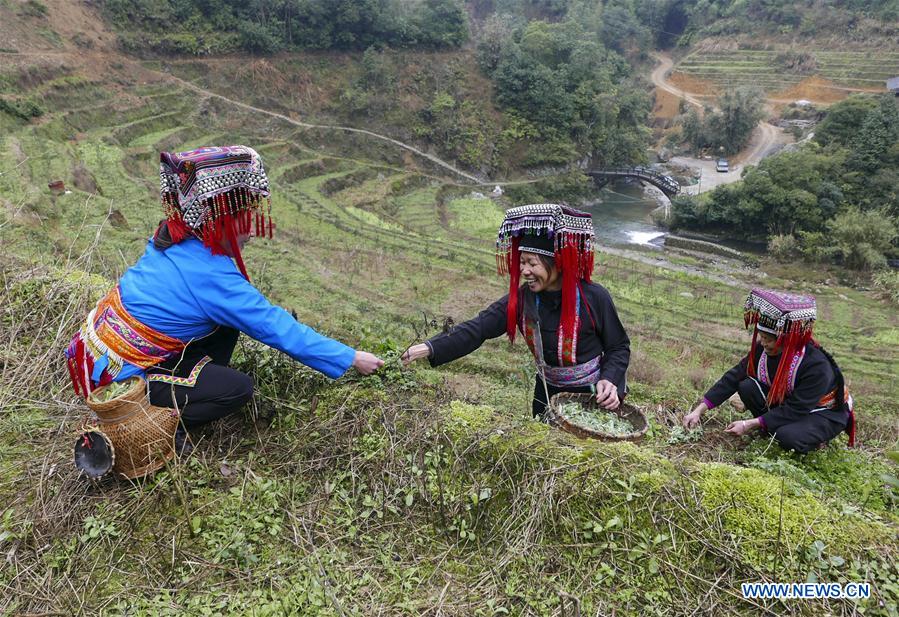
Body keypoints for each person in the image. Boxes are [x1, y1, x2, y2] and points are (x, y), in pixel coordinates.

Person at [66, 145, 383, 451]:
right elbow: (273, 325)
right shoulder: (212, 276)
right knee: (237, 389)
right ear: (220, 221)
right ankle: (145, 423)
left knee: (226, 325)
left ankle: (175, 384)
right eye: (244, 221)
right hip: (117, 381)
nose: (252, 233)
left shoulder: (176, 237)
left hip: (94, 357)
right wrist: (350, 357)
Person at [402, 203, 630, 417]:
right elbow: (479, 328)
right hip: (546, 394)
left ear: (557, 263)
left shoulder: (593, 297)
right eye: (522, 263)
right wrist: (428, 348)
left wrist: (609, 380)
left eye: (532, 263)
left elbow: (618, 346)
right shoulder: (522, 300)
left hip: (591, 394)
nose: (525, 271)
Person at [682, 288, 856, 453]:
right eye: (761, 337)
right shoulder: (762, 350)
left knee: (787, 437)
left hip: (823, 412)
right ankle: (769, 425)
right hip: (789, 403)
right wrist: (699, 410)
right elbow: (733, 377)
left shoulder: (816, 366)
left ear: (786, 341)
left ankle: (814, 440)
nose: (763, 343)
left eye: (769, 340)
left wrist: (749, 423)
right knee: (747, 386)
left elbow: (796, 409)